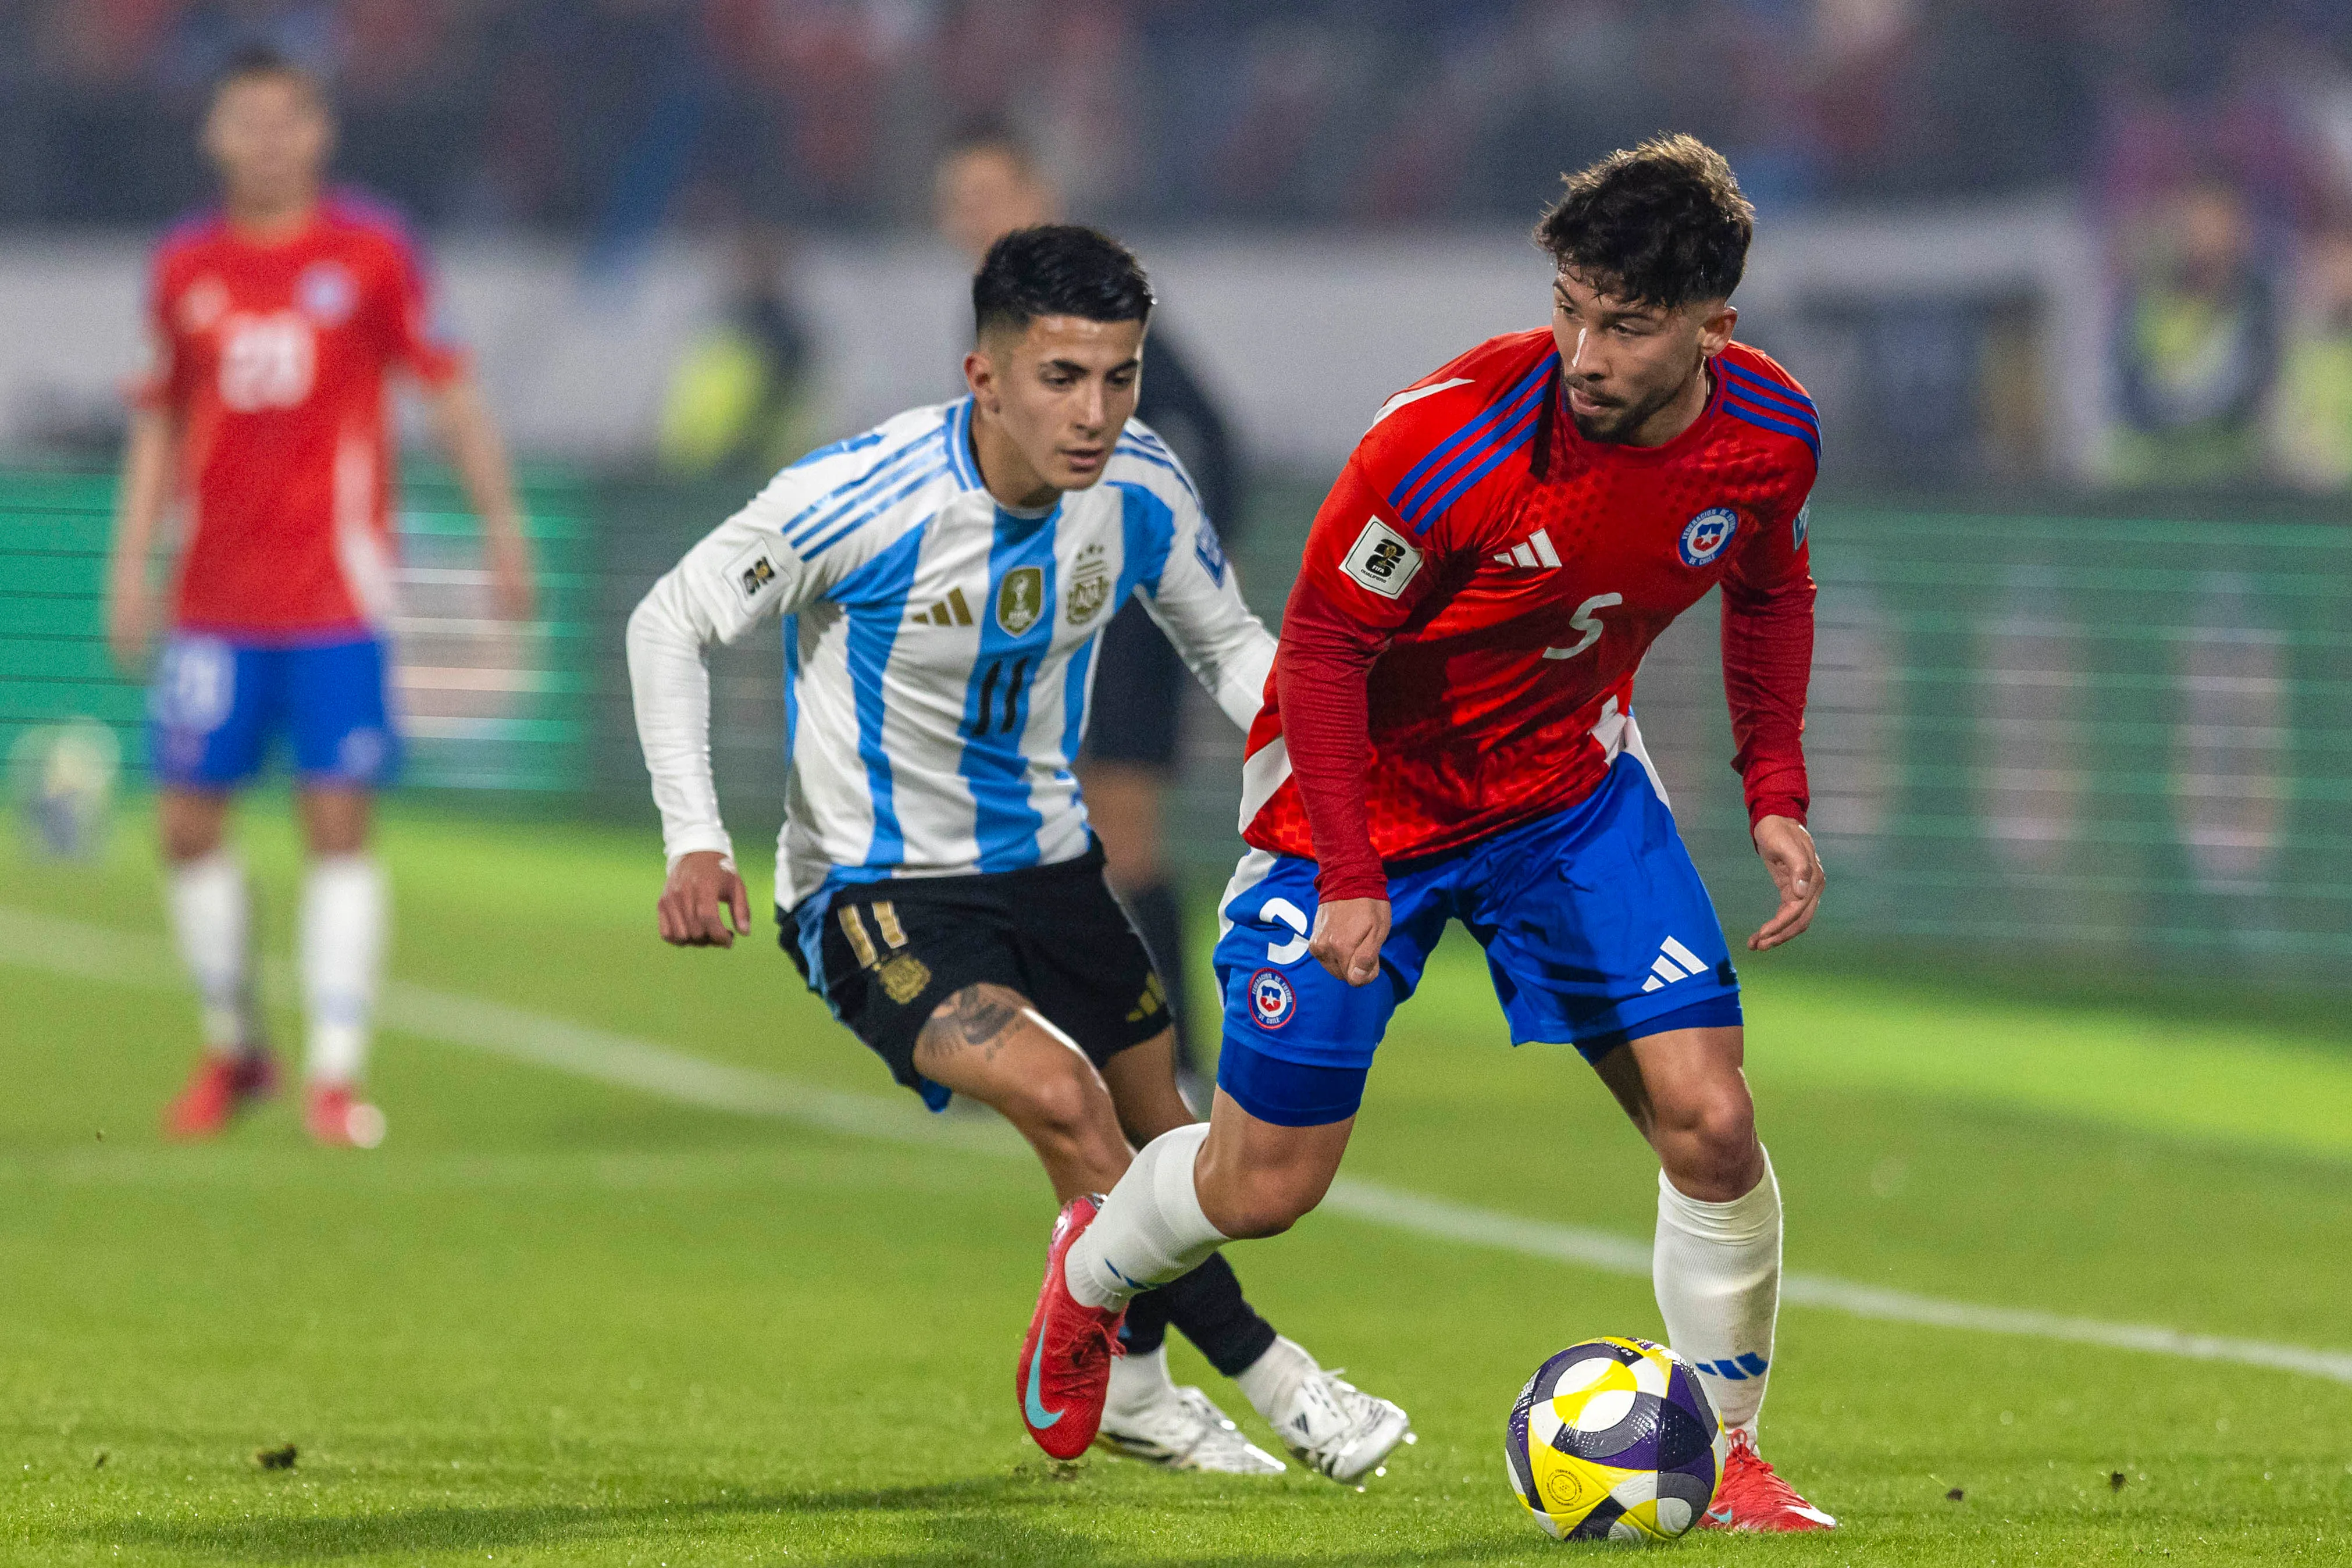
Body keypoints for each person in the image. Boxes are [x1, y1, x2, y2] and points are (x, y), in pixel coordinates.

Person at [1018, 136, 1838, 1533]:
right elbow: (1328, 648)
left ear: (1715, 327)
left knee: (1712, 1124)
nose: (1584, 348)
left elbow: (1768, 586)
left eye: (1625, 325)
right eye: (1571, 305)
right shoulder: (1455, 436)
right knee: (1266, 1183)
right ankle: (1095, 1264)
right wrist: (1348, 872)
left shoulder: (1767, 435)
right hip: (1361, 807)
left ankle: (1731, 1446)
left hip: (1566, 798)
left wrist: (1775, 789)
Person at [626, 224, 1409, 1479]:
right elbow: (672, 617)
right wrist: (695, 836)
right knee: (1065, 1099)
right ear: (985, 376)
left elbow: (1229, 648)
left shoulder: (1142, 488)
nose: (1094, 412)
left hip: (1051, 869)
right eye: (1062, 377)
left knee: (1173, 1139)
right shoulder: (869, 494)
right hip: (873, 890)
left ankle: (1141, 1391)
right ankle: (1284, 1379)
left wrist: (1341, 774)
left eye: (1120, 375)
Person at [104, 48, 534, 1148]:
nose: (265, 139)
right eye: (244, 120)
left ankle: (335, 1076)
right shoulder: (184, 265)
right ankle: (235, 1043)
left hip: (336, 596)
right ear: (214, 135)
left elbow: (448, 388)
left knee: (337, 821)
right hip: (211, 599)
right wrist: (129, 561)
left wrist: (500, 525)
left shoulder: (372, 252)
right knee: (188, 827)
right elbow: (158, 420)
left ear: (318, 134)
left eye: (284, 119)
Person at [935, 124, 1243, 1091]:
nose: (972, 216)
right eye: (959, 201)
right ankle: (1053, 1052)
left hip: (1117, 621)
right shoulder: (1005, 314)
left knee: (1122, 834)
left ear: (1038, 189)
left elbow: (1211, 436)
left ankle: (1181, 1063)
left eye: (989, 192)